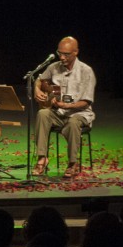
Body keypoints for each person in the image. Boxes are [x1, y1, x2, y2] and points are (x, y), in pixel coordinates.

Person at [33, 36, 95, 178]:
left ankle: (72, 163)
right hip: (58, 113)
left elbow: (86, 102)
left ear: (76, 52)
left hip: (79, 114)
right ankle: (42, 158)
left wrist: (66, 105)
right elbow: (39, 79)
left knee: (73, 123)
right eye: (59, 53)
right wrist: (37, 89)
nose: (61, 57)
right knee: (43, 114)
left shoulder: (86, 71)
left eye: (66, 54)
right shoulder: (54, 67)